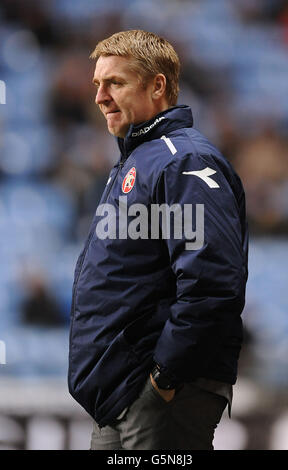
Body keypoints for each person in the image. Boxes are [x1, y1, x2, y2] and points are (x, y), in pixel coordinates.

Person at [68, 30, 248, 450]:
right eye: (97, 84)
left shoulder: (183, 160)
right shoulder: (137, 162)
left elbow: (213, 282)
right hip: (122, 395)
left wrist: (163, 379)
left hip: (160, 393)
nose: (100, 96)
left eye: (115, 82)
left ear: (157, 85)